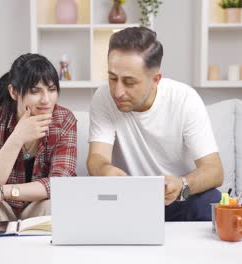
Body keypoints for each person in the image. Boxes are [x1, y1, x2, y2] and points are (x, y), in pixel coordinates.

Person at [87, 27, 223, 221]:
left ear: (155, 80)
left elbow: (214, 170)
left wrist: (182, 184)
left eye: (129, 82)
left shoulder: (185, 99)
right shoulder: (103, 97)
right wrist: (106, 171)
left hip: (175, 199)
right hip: (126, 199)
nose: (117, 92)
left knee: (211, 200)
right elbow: (97, 158)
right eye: (112, 78)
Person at [0, 53, 77, 228]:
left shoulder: (64, 120)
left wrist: (3, 192)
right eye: (35, 91)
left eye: (51, 90)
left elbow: (60, 184)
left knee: (56, 207)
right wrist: (17, 137)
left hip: (37, 204)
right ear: (14, 92)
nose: (46, 100)